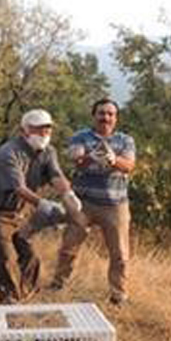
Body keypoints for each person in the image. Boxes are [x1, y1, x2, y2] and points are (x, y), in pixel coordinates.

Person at [0, 109, 82, 304]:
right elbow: (18, 188)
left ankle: (26, 294)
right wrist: (43, 204)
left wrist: (68, 193)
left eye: (47, 130)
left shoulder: (48, 151)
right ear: (24, 131)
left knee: (30, 255)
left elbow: (56, 175)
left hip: (21, 212)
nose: (44, 134)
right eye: (38, 130)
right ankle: (9, 301)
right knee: (3, 259)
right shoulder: (8, 153)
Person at [49, 98, 136, 306]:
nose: (105, 117)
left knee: (120, 254)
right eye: (101, 113)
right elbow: (77, 162)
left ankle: (118, 294)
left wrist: (113, 160)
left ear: (116, 118)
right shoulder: (80, 137)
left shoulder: (125, 140)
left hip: (115, 204)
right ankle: (58, 284)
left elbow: (129, 166)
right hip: (83, 203)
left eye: (110, 114)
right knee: (69, 246)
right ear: (94, 115)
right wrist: (91, 157)